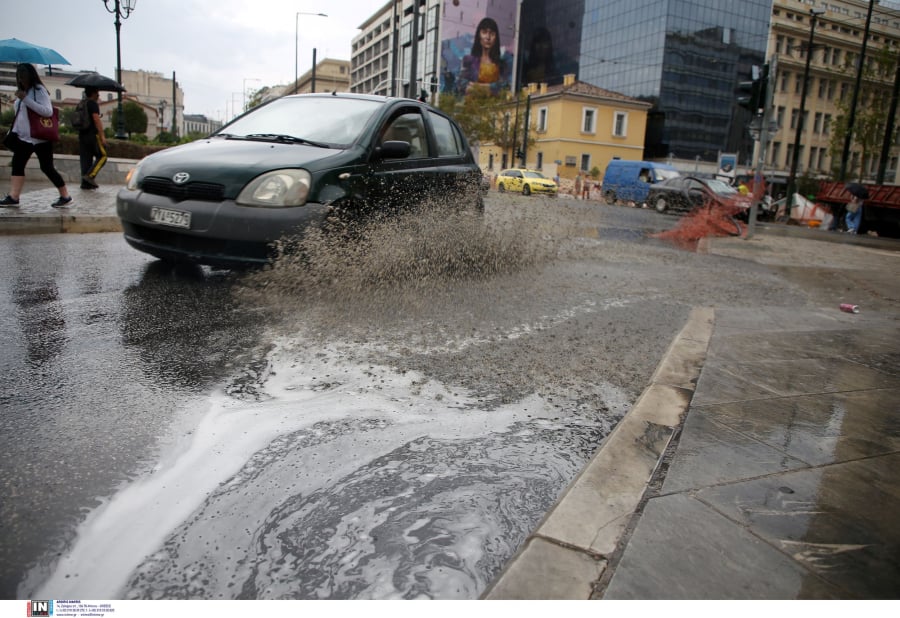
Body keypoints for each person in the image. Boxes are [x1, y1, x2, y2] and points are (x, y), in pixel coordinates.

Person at [1, 63, 72, 208]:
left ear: (31, 75)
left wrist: (26, 100)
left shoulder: (39, 91)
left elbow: (47, 111)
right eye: (19, 76)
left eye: (24, 75)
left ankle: (65, 195)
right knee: (17, 165)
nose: (22, 79)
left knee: (47, 167)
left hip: (40, 138)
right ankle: (14, 196)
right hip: (23, 138)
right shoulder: (21, 92)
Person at [459, 17, 508, 95]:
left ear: (496, 38)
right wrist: (490, 88)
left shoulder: (501, 64)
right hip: (472, 105)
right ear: (479, 35)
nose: (488, 37)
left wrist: (478, 87)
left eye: (492, 34)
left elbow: (503, 88)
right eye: (484, 32)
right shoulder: (469, 60)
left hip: (494, 105)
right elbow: (462, 86)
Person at [79, 87, 108, 190]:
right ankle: (90, 176)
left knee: (86, 159)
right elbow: (96, 120)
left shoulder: (82, 103)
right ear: (93, 93)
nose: (98, 95)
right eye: (97, 92)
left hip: (82, 135)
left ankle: (85, 184)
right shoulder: (92, 104)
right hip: (92, 135)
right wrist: (102, 136)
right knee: (103, 156)